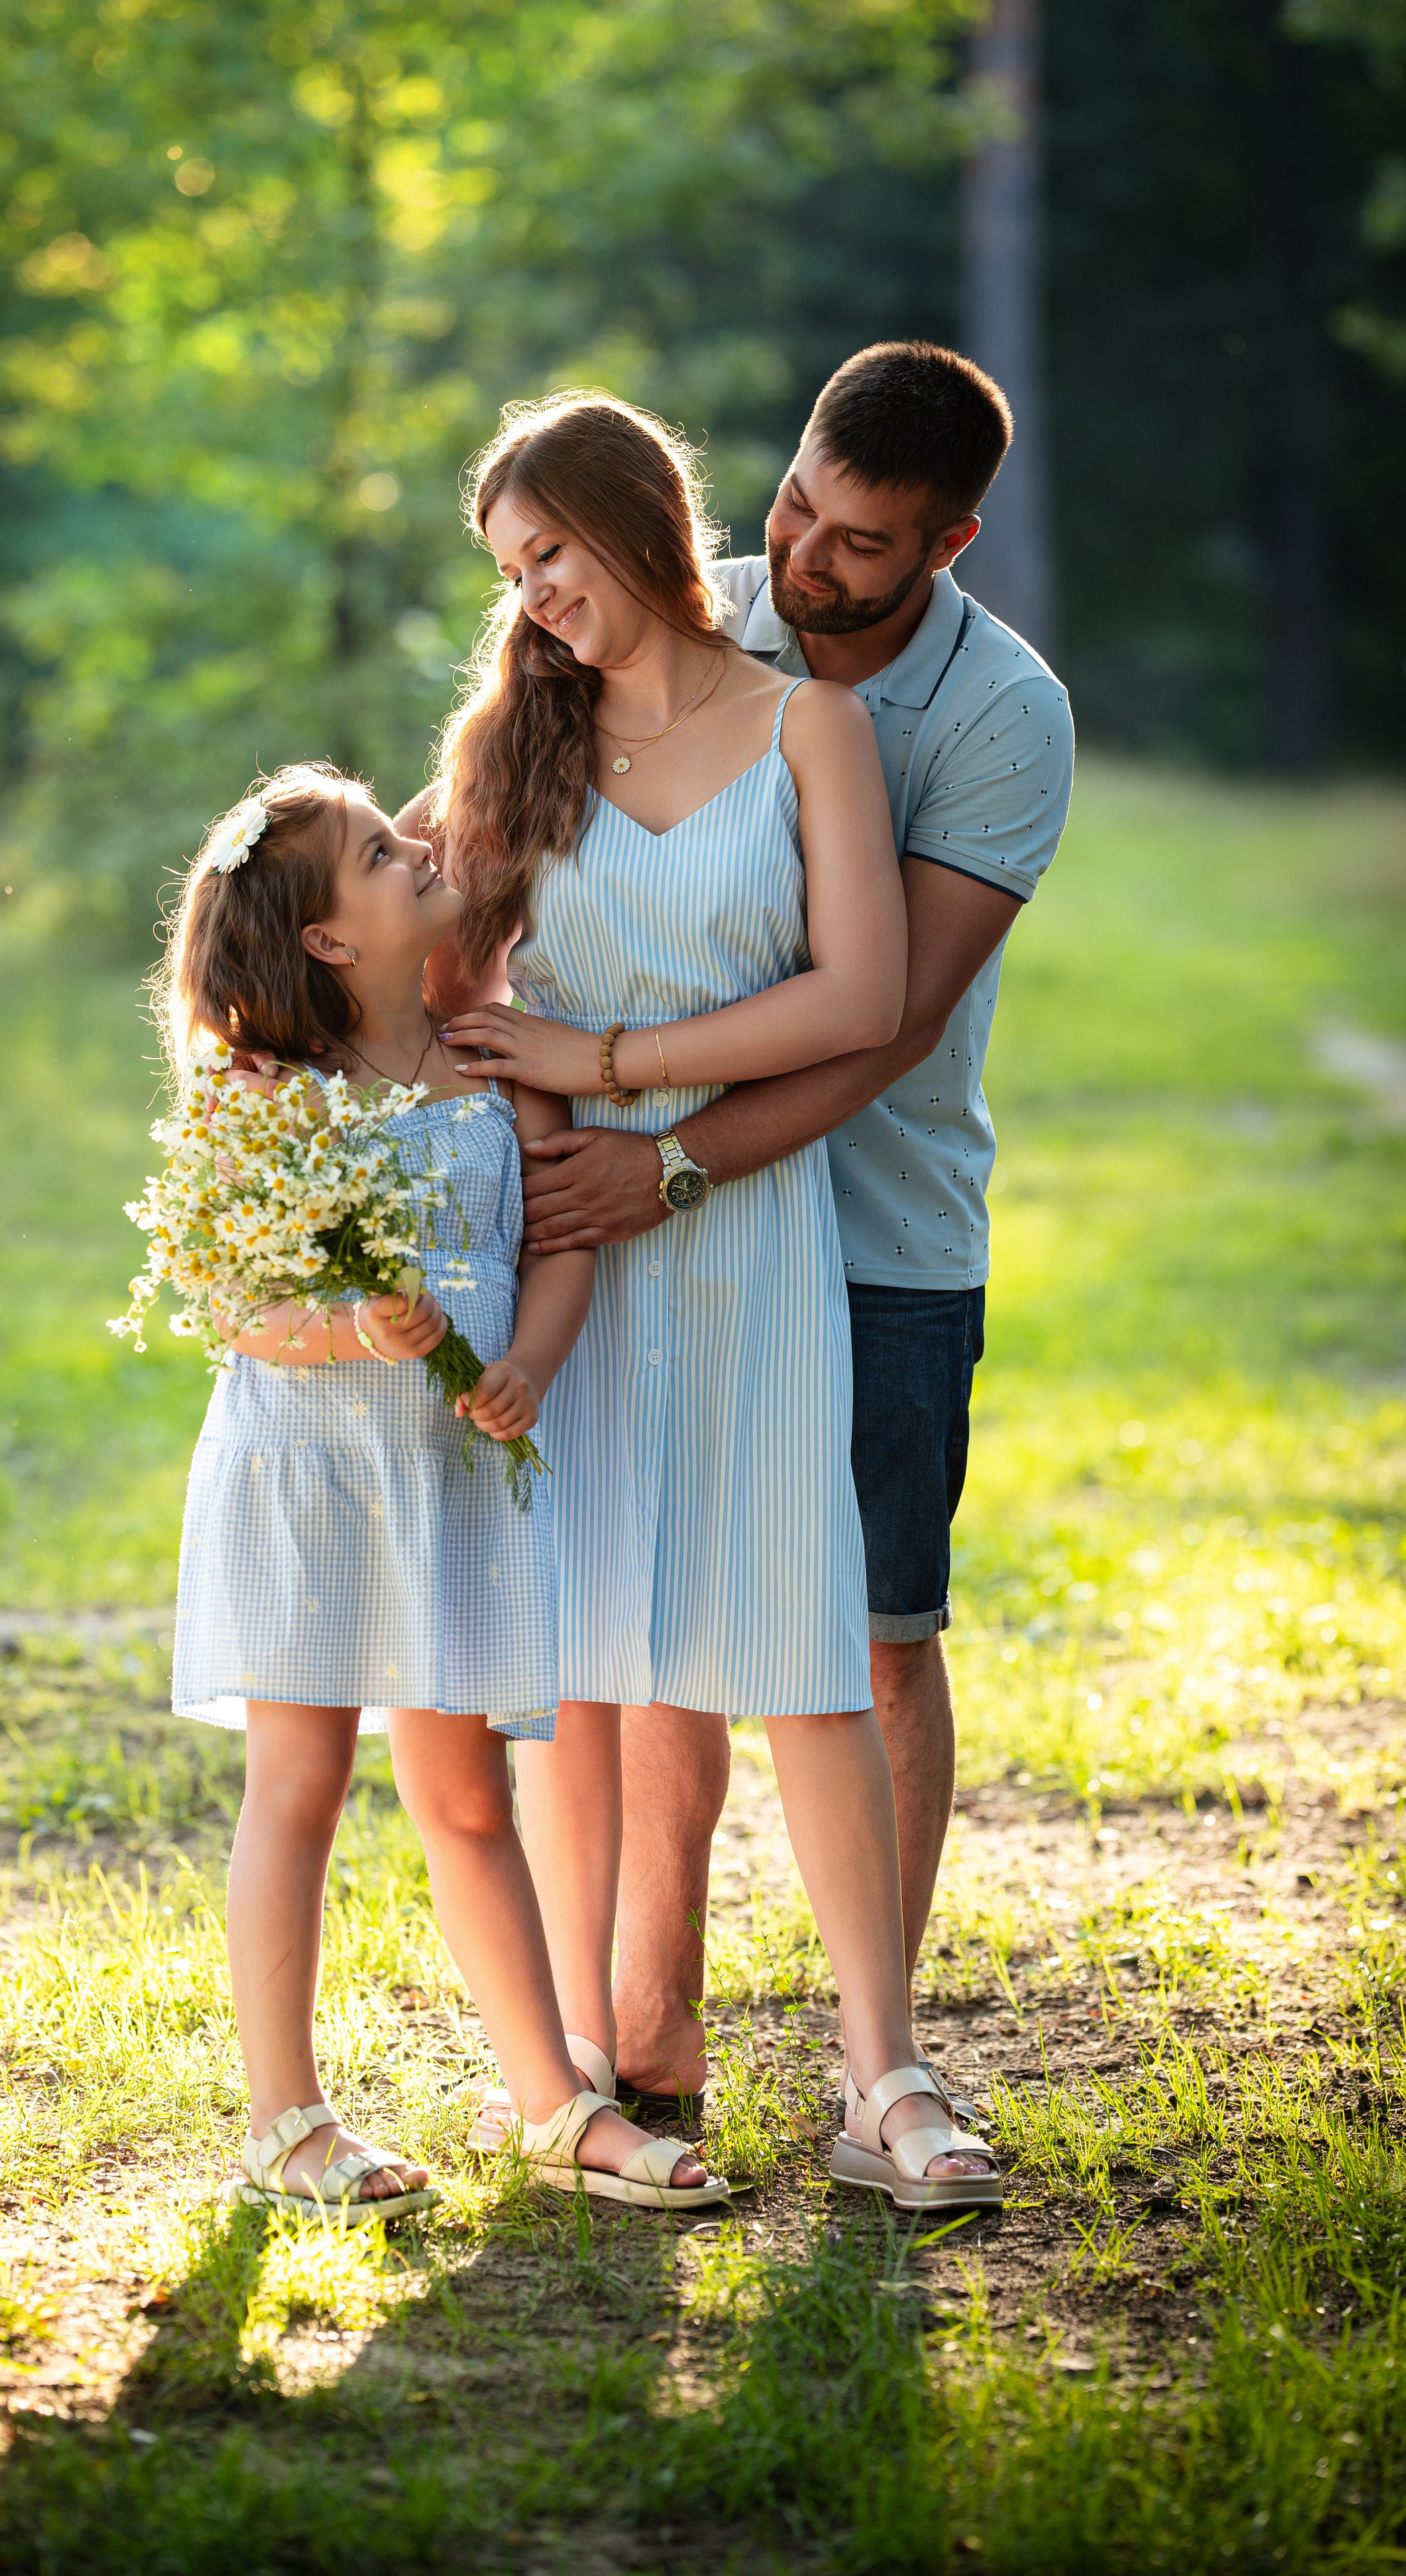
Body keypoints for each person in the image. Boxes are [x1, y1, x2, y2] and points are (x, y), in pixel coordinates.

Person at [427, 391, 999, 2206]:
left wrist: (614, 1063)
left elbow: (858, 1000)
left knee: (812, 1660)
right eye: (512, 574)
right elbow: (438, 989)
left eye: (552, 556)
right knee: (585, 1665)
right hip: (572, 1261)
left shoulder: (814, 731)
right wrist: (530, 1133)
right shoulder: (514, 748)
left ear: (634, 520)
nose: (536, 600)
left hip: (751, 1237)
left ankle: (886, 2082)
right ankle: (588, 2069)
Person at [516, 343, 1076, 2112]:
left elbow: (888, 1017)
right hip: (651, 1221)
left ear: (953, 543)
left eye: (862, 546)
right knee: (660, 1631)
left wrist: (666, 1154)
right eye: (796, 511)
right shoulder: (703, 623)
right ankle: (648, 2028)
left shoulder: (1002, 717)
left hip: (881, 1219)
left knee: (875, 1637)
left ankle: (869, 2062)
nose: (808, 566)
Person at [161, 760, 732, 2219]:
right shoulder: (262, 1095)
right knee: (296, 1784)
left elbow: (557, 1245)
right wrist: (354, 1328)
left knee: (467, 1797)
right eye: (373, 848)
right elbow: (232, 1304)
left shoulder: (490, 1059)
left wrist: (528, 1367)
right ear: (330, 941)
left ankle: (553, 2102)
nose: (414, 840)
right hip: (308, 1476)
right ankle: (286, 2119)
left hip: (444, 1479)